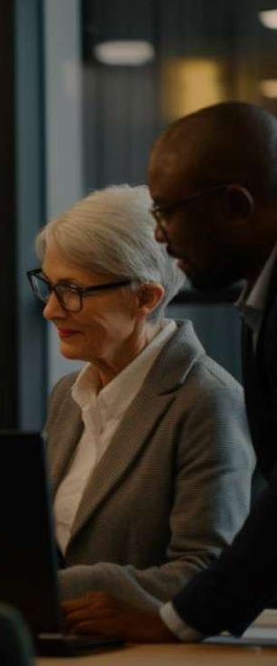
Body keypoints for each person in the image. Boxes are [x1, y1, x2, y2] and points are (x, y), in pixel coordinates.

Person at [63, 102, 277, 641]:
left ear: (236, 205)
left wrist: (171, 621)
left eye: (167, 212)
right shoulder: (258, 308)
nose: (160, 235)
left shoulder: (207, 395)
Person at [32, 185, 252, 608]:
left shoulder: (208, 401)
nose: (51, 310)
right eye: (49, 286)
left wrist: (44, 588)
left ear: (145, 298)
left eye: (72, 291)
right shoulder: (66, 396)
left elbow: (205, 572)